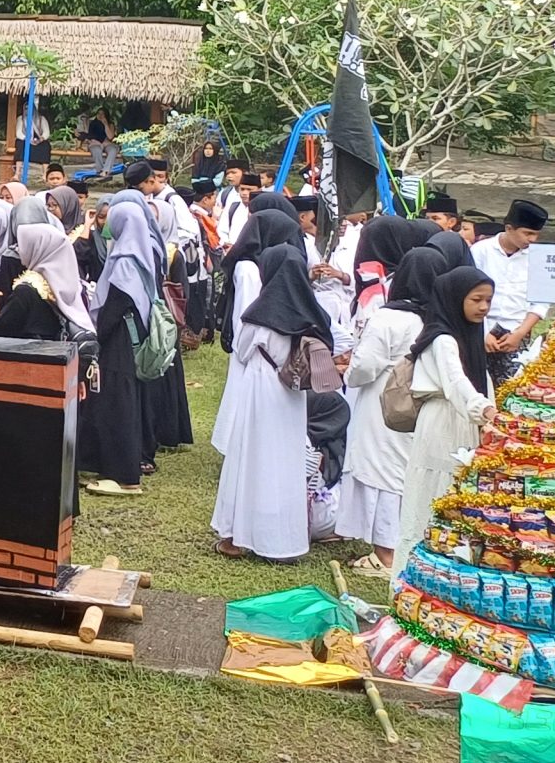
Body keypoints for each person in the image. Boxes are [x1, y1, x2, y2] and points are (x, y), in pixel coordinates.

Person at [211, 244, 333, 563]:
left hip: (261, 389)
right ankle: (283, 538)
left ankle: (238, 535)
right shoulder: (310, 312)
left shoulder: (260, 314)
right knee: (283, 461)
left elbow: (241, 349)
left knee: (252, 459)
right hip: (291, 395)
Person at [336, 246, 449, 573]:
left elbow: (365, 365)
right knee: (405, 470)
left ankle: (385, 555)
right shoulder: (437, 317)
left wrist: (349, 371)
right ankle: (408, 541)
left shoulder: (390, 317)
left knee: (382, 471)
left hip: (385, 400)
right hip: (420, 404)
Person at [393, 265, 495, 571]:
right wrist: (485, 410)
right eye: (476, 299)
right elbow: (456, 383)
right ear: (454, 298)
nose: (483, 307)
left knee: (458, 504)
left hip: (467, 423)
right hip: (443, 425)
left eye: (488, 300)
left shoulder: (470, 335)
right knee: (431, 501)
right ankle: (411, 580)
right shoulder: (442, 340)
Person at [84, 203, 154, 497]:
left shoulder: (125, 261)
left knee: (118, 403)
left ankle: (124, 476)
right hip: (130, 337)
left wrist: (95, 333)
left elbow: (115, 306)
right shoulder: (139, 255)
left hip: (120, 341)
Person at [471, 199, 547, 386]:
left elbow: (541, 301)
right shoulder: (480, 251)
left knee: (513, 389)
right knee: (478, 388)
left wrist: (519, 334)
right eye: (527, 233)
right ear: (509, 228)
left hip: (516, 334)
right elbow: (468, 294)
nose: (532, 240)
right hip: (480, 330)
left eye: (536, 234)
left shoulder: (538, 258)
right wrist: (484, 332)